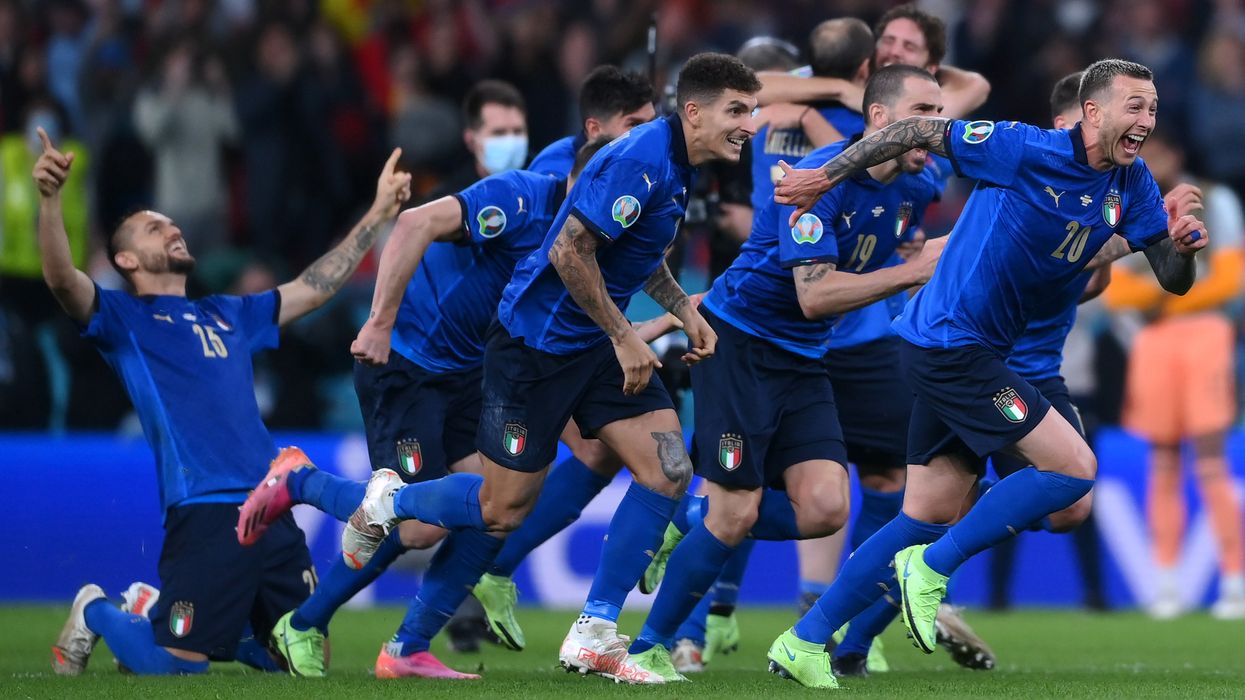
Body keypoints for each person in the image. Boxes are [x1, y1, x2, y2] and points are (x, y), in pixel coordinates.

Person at [767, 58, 1207, 688]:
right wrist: (823, 176)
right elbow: (915, 131)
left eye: (1153, 108)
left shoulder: (1131, 183)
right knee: (1074, 468)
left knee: (923, 514)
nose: (1147, 119)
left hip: (974, 352)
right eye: (1134, 106)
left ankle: (805, 641)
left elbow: (1172, 277)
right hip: (951, 342)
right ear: (1092, 112)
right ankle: (932, 569)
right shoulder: (1023, 148)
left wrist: (1182, 248)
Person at [338, 52, 760, 685]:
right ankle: (391, 500)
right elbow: (568, 251)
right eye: (737, 110)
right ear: (694, 111)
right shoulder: (642, 159)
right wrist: (624, 335)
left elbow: (639, 252)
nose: (749, 124)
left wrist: (681, 310)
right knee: (502, 510)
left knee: (668, 467)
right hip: (534, 346)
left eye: (752, 111)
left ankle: (594, 633)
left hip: (589, 342)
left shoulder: (678, 165)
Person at [236, 139, 679, 679]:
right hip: (408, 365)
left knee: (495, 509)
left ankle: (407, 647)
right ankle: (299, 485)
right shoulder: (528, 198)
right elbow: (413, 223)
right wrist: (378, 322)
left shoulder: (599, 234)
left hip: (473, 371)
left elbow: (579, 329)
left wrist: (668, 318)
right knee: (420, 529)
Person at [40, 127, 411, 676]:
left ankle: (159, 611)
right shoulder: (124, 320)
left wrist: (378, 213)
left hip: (271, 502)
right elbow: (61, 279)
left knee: (300, 662)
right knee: (175, 668)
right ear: (127, 259)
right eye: (154, 228)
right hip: (205, 507)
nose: (172, 228)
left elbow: (314, 286)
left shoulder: (227, 313)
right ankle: (96, 609)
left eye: (171, 223)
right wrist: (51, 201)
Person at [626, 64, 946, 687]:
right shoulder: (815, 182)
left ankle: (686, 521)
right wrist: (912, 271)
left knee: (826, 508)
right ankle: (647, 647)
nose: (938, 126)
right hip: (738, 346)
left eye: (941, 113)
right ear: (880, 120)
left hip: (804, 359)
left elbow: (908, 241)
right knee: (735, 515)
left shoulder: (918, 184)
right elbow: (814, 295)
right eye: (924, 112)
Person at [1102, 127, 1245, 620]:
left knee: (1210, 463)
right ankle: (1165, 583)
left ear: (1176, 153)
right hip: (1153, 344)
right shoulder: (1126, 203)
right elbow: (1116, 293)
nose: (1150, 159)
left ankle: (1235, 579)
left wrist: (1162, 297)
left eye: (1158, 150)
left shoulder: (1216, 201)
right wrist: (1179, 291)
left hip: (1205, 338)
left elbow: (1230, 281)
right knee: (1162, 463)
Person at [528, 65, 655, 177]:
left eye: (652, 122)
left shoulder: (654, 164)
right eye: (634, 124)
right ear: (595, 129)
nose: (649, 134)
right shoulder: (555, 173)